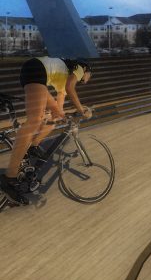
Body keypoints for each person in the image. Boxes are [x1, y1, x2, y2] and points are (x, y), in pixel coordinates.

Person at [2, 57, 93, 205]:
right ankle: (9, 177)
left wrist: (64, 116)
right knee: (35, 120)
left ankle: (33, 147)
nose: (88, 78)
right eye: (90, 75)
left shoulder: (62, 80)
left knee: (54, 118)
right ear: (86, 70)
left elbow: (60, 107)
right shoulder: (80, 68)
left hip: (37, 74)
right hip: (36, 70)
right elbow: (71, 88)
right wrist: (82, 109)